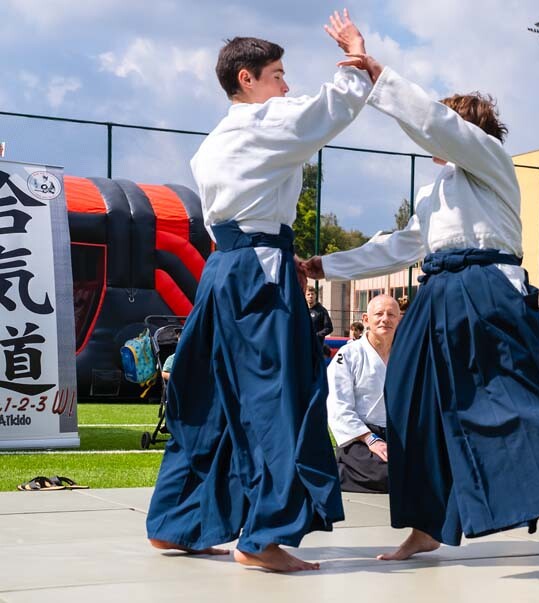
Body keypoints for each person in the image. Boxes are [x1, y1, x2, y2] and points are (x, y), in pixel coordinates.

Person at [302, 16, 539, 578]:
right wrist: (329, 265)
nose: (435, 139)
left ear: (468, 130)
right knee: (409, 400)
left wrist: (376, 72)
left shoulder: (490, 159)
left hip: (488, 288)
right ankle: (426, 525)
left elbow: (437, 126)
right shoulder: (433, 190)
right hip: (437, 292)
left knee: (522, 404)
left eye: (448, 126)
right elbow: (403, 244)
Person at [146, 15, 373, 572]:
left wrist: (268, 248)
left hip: (223, 269)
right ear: (246, 79)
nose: (286, 86)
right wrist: (355, 58)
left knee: (211, 397)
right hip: (257, 275)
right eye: (277, 75)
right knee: (278, 400)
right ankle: (264, 538)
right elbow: (334, 108)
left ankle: (176, 522)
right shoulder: (265, 120)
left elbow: (237, 220)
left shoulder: (212, 144)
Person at [328, 294, 401, 493]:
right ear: (366, 319)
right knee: (391, 475)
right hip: (360, 437)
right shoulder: (348, 355)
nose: (385, 319)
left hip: (397, 434)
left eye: (391, 315)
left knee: (425, 469)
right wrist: (370, 439)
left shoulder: (406, 354)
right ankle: (337, 472)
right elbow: (338, 406)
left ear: (399, 320)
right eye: (379, 314)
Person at [306, 286, 334, 354]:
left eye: (312, 294)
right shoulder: (302, 310)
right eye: (308, 294)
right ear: (305, 296)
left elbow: (329, 328)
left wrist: (316, 335)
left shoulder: (322, 311)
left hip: (316, 347)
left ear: (316, 296)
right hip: (304, 345)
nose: (310, 296)